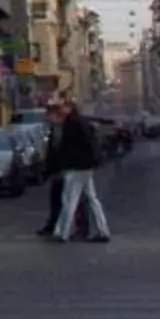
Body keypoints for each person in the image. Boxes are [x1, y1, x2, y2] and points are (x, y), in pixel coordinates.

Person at [49, 102, 109, 242]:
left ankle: (64, 233)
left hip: (75, 167)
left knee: (70, 199)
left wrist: (62, 164)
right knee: (92, 198)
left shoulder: (71, 124)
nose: (62, 110)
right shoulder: (83, 122)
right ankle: (103, 231)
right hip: (86, 167)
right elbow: (91, 143)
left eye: (64, 107)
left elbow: (66, 147)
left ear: (69, 108)